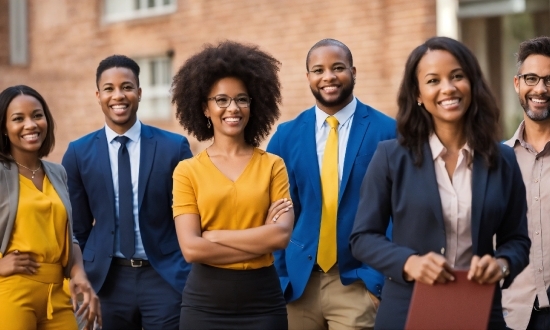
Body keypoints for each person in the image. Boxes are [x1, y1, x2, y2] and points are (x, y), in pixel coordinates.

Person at [349, 36, 531, 329]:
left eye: (457, 76)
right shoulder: (390, 156)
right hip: (407, 311)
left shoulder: (503, 159)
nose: (448, 88)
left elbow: (518, 240)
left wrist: (501, 264)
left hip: (480, 311)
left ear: (471, 83)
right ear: (418, 94)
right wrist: (410, 263)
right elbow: (362, 238)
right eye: (433, 80)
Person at [266, 38, 396, 330]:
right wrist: (280, 279)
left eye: (338, 68)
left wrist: (376, 281)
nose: (329, 77)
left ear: (353, 71)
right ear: (308, 77)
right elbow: (271, 211)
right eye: (318, 70)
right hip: (297, 286)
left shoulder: (387, 131)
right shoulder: (285, 136)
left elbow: (397, 211)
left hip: (357, 283)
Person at [61, 55, 192, 330]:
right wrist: (84, 276)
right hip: (106, 281)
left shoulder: (173, 147)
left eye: (127, 87)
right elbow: (78, 228)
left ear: (140, 92)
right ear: (98, 95)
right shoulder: (78, 153)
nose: (118, 95)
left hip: (164, 276)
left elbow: (189, 216)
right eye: (109, 88)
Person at [171, 40, 294, 330]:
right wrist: (258, 241)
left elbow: (279, 237)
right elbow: (191, 249)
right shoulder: (187, 171)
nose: (233, 108)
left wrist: (214, 236)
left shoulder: (273, 165)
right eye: (221, 100)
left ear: (254, 105)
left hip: (263, 303)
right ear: (204, 107)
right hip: (205, 305)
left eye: (242, 99)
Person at [0, 85, 101, 330]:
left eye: (37, 115)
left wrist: (79, 275)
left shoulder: (58, 173)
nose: (31, 124)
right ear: (4, 128)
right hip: (12, 290)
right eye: (18, 119)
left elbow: (70, 236)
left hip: (58, 291)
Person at [501, 36, 550, 330]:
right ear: (517, 83)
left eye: (549, 80)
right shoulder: (496, 161)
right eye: (531, 78)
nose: (541, 89)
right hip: (513, 317)